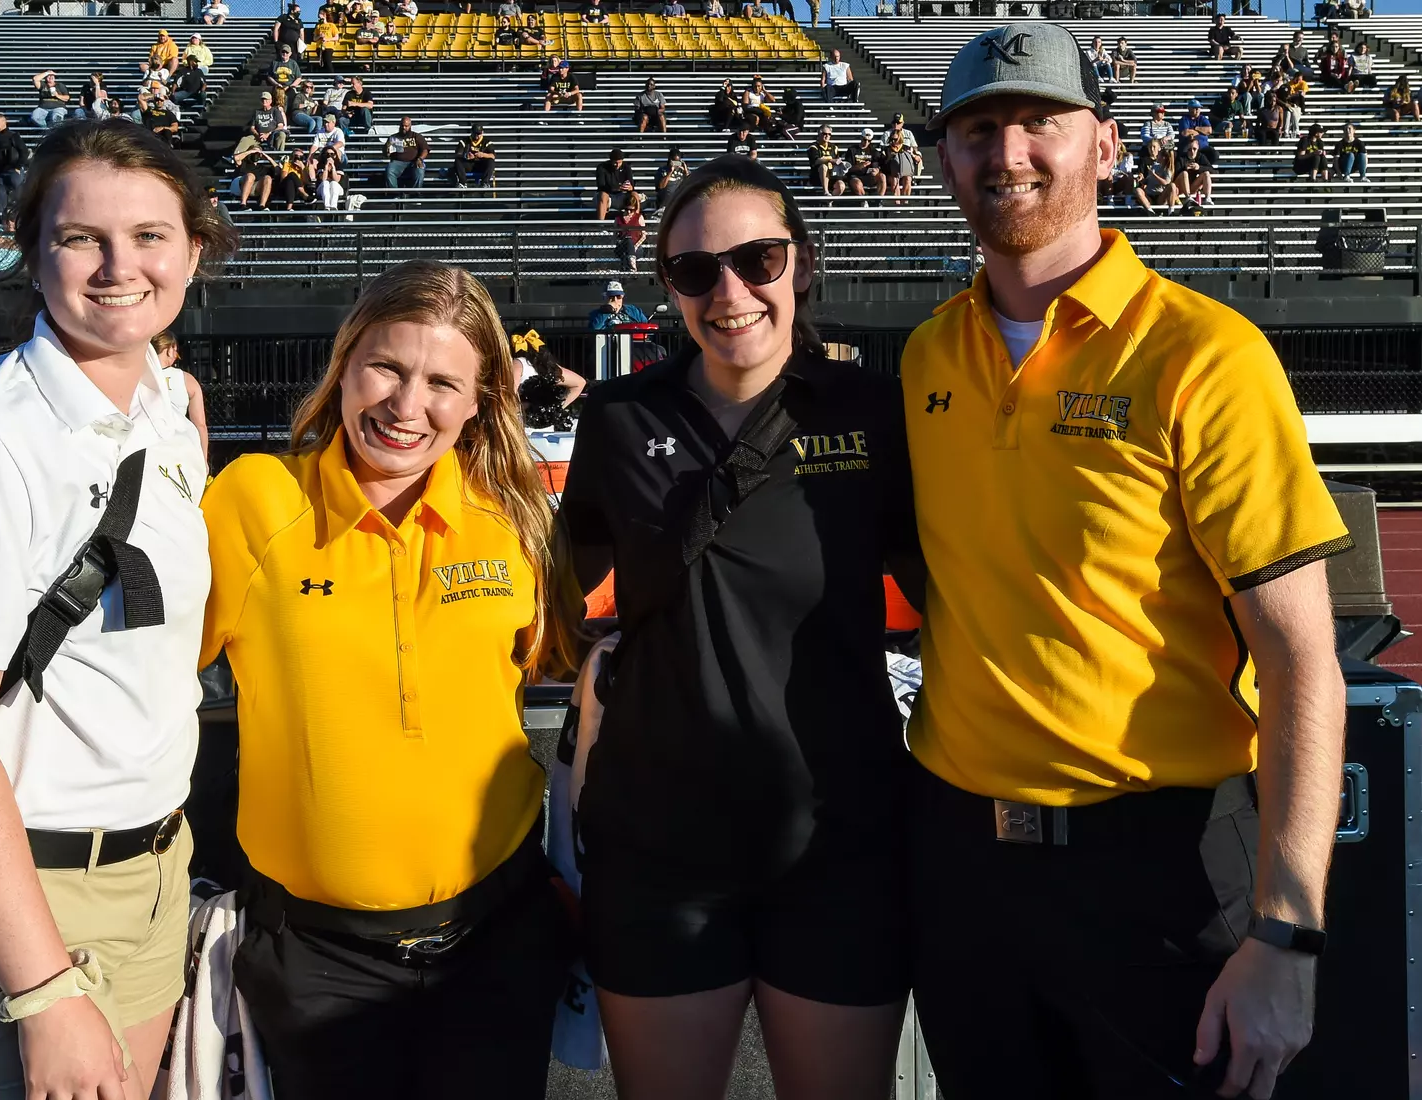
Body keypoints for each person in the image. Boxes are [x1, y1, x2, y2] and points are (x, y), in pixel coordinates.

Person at [913, 23, 1348, 1100]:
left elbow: (1302, 663)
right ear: (941, 160)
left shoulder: (1205, 354)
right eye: (976, 129)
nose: (1006, 151)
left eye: (1037, 122)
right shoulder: (927, 353)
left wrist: (1287, 936)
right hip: (963, 864)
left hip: (1159, 866)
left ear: (1106, 144)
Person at [0, 119, 238, 1100]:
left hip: (155, 867)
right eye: (83, 237)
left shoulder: (162, 405)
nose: (120, 264)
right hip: (16, 900)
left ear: (194, 249)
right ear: (33, 249)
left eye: (150, 235)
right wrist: (43, 987)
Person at [559, 153, 916, 1100]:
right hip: (658, 854)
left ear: (801, 263)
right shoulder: (617, 419)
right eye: (693, 272)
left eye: (757, 260)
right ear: (668, 288)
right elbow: (554, 587)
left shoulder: (876, 415)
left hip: (837, 843)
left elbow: (964, 590)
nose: (730, 292)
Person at [201, 260, 576, 1099]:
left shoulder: (512, 518)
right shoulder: (254, 500)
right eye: (387, 368)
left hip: (495, 942)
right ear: (342, 367)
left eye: (443, 382)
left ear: (479, 400)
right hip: (315, 961)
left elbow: (563, 662)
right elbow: (141, 672)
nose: (407, 407)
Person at [152, 331, 209, 460]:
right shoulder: (187, 380)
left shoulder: (137, 377)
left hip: (148, 448)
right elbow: (200, 424)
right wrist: (203, 459)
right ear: (169, 350)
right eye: (176, 352)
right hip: (178, 446)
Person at [0, 113, 30, 216]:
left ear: (4, 122)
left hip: (13, 171)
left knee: (19, 196)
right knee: (0, 198)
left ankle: (23, 218)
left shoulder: (13, 135)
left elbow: (24, 151)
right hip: (1, 173)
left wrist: (18, 167)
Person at [384, 116, 429, 189]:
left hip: (414, 161)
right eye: (402, 125)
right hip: (397, 162)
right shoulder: (393, 137)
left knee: (420, 170)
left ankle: (415, 194)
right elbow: (385, 154)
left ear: (410, 126)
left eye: (406, 126)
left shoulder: (416, 136)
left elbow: (425, 150)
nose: (404, 128)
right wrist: (387, 150)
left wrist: (420, 159)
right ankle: (394, 194)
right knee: (389, 170)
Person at [452, 122, 496, 189]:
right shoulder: (464, 141)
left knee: (491, 161)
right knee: (458, 161)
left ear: (482, 132)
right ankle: (463, 183)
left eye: (479, 134)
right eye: (475, 133)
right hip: (468, 165)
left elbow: (493, 155)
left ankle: (485, 183)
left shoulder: (487, 142)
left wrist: (483, 154)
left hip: (481, 165)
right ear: (471, 132)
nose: (477, 136)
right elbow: (457, 154)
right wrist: (466, 156)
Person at [595, 147, 634, 221]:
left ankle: (634, 223)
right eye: (615, 162)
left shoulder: (627, 168)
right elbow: (601, 186)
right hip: (607, 196)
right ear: (611, 160)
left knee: (634, 195)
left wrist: (629, 187)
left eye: (619, 162)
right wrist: (618, 188)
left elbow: (632, 185)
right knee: (603, 195)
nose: (617, 165)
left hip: (621, 195)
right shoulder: (602, 167)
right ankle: (601, 225)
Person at [846, 128, 887, 197]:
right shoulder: (852, 150)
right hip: (856, 176)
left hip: (869, 176)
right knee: (857, 183)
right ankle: (864, 201)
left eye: (869, 141)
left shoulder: (873, 151)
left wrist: (877, 170)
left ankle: (879, 200)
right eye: (864, 139)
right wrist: (859, 166)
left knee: (882, 176)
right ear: (861, 138)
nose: (866, 142)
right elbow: (848, 168)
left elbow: (882, 163)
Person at [613, 190, 645, 272]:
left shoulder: (639, 217)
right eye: (627, 209)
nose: (629, 212)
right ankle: (632, 265)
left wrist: (635, 246)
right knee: (628, 239)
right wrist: (618, 241)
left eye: (632, 210)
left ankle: (630, 264)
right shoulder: (618, 219)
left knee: (629, 244)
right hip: (622, 245)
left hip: (636, 247)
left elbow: (644, 235)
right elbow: (614, 235)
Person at [806, 124, 840, 196]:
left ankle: (829, 201)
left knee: (841, 185)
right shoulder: (813, 146)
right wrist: (829, 160)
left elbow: (837, 160)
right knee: (823, 167)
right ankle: (826, 192)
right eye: (825, 133)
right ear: (819, 134)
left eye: (829, 134)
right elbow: (815, 161)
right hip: (817, 176)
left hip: (831, 175)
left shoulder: (834, 147)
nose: (827, 136)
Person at [266, 44, 302, 109]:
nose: (285, 54)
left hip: (289, 87)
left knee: (291, 102)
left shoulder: (293, 63)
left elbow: (299, 78)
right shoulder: (275, 63)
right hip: (278, 87)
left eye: (287, 52)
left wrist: (291, 86)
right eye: (283, 52)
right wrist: (276, 84)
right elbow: (269, 76)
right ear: (280, 52)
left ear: (290, 53)